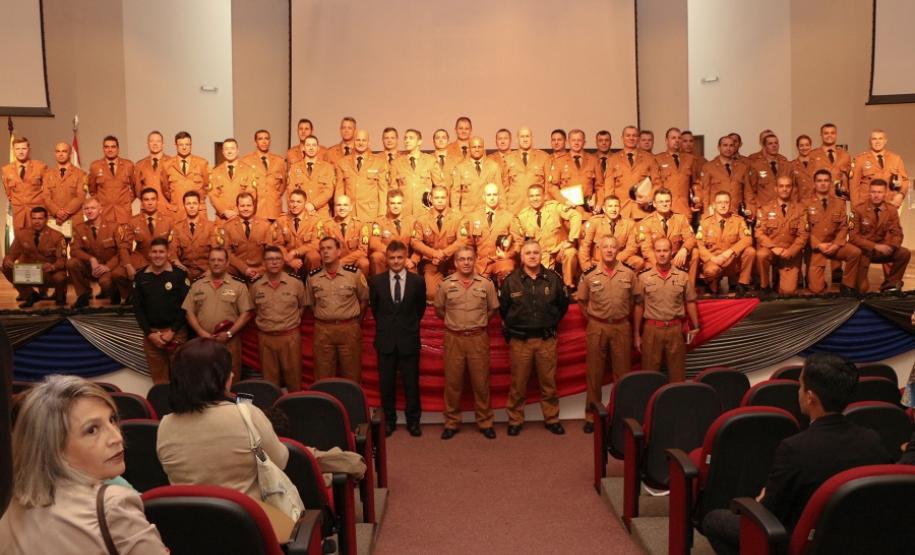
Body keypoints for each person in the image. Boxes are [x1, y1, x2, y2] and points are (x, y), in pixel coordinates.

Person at [702, 353, 892, 555]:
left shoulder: (795, 448)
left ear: (810, 397)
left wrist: (760, 501)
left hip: (803, 543)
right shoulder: (872, 440)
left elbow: (770, 513)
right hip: (858, 541)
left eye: (800, 386)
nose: (798, 392)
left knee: (714, 520)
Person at [0, 375, 168, 554]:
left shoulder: (8, 500)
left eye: (112, 420)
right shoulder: (112, 505)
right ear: (52, 446)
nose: (117, 437)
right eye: (92, 430)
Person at [156, 338, 296, 537]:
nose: (231, 374)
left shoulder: (164, 425)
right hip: (247, 529)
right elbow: (281, 461)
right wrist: (256, 451)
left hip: (188, 532)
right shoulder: (246, 414)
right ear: (217, 377)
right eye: (227, 369)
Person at [500, 240, 569, 436]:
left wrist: (550, 321)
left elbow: (562, 305)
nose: (532, 256)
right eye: (528, 253)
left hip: (546, 340)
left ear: (541, 255)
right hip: (520, 341)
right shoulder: (510, 281)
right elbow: (504, 309)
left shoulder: (553, 279)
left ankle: (552, 419)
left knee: (548, 383)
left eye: (535, 252)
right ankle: (515, 420)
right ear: (521, 257)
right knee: (518, 384)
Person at [434, 245, 499, 440]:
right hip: (454, 339)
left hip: (477, 338)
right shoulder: (445, 285)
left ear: (474, 260)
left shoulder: (486, 284)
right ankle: (452, 422)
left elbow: (492, 310)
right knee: (453, 384)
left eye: (469, 259)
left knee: (481, 383)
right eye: (462, 259)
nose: (466, 262)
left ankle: (485, 422)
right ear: (455, 263)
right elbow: (439, 310)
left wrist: (476, 324)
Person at [577, 235, 636, 433]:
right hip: (597, 327)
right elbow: (582, 301)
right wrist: (595, 319)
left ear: (618, 249)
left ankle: (621, 417)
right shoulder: (590, 275)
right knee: (594, 373)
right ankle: (591, 417)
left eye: (613, 247)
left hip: (621, 327)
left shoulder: (629, 274)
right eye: (605, 247)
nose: (609, 250)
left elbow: (636, 300)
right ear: (599, 250)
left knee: (622, 374)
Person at [369, 240, 426, 437]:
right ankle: (389, 422)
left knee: (412, 384)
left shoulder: (417, 281)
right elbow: (376, 310)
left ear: (406, 257)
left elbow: (420, 310)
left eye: (400, 257)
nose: (395, 261)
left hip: (409, 340)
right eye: (392, 258)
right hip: (385, 341)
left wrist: (406, 326)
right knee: (386, 385)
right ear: (386, 258)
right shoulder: (376, 281)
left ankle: (413, 422)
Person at [633, 237, 700, 383]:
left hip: (675, 330)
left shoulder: (683, 276)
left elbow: (690, 301)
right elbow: (639, 306)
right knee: (649, 376)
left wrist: (696, 326)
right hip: (652, 330)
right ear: (654, 253)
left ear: (672, 252)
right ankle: (650, 405)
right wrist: (637, 334)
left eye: (665, 250)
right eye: (658, 251)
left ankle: (676, 405)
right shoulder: (644, 277)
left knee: (678, 375)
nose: (662, 254)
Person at [183, 247, 254, 382]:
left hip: (230, 342)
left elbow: (246, 314)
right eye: (213, 260)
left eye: (220, 260)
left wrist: (229, 333)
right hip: (204, 342)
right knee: (205, 381)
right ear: (208, 263)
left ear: (227, 263)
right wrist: (201, 332)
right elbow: (188, 312)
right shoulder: (197, 285)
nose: (216, 263)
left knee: (231, 381)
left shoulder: (238, 285)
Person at [306, 237, 369, 382]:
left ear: (339, 251)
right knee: (323, 375)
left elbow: (364, 300)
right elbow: (311, 304)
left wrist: (354, 322)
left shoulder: (354, 274)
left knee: (352, 374)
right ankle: (324, 404)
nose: (325, 252)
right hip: (323, 330)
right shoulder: (313, 277)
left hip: (349, 329)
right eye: (322, 249)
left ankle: (351, 405)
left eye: (329, 248)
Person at [133, 237, 191, 383]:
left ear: (168, 253)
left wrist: (172, 331)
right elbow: (138, 309)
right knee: (159, 382)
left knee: (181, 379)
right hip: (152, 336)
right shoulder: (140, 277)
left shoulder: (179, 274)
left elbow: (186, 305)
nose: (157, 255)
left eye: (161, 252)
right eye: (154, 252)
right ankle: (162, 406)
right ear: (149, 254)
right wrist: (149, 333)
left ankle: (180, 407)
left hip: (176, 334)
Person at [251, 246, 307, 392]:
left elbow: (302, 306)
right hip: (266, 338)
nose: (274, 262)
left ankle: (296, 412)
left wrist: (290, 322)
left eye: (277, 259)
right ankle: (272, 414)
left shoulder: (295, 283)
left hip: (290, 337)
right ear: (264, 262)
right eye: (270, 259)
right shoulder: (256, 285)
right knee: (270, 384)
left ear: (283, 262)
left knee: (294, 380)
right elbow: (254, 309)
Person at [513, 183, 581, 289]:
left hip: (558, 250)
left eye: (537, 195)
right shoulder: (523, 216)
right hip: (540, 255)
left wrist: (571, 240)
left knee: (570, 253)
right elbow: (519, 239)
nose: (535, 199)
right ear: (528, 198)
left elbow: (575, 215)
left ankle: (569, 286)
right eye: (532, 196)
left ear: (544, 196)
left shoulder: (554, 208)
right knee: (542, 286)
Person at [804, 169, 861, 294]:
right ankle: (816, 281)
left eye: (826, 181)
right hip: (816, 248)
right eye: (819, 181)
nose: (823, 184)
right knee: (816, 289)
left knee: (855, 252)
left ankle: (847, 285)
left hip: (835, 244)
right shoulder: (805, 203)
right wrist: (819, 245)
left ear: (830, 183)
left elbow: (843, 226)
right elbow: (804, 230)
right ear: (814, 183)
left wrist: (836, 244)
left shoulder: (839, 203)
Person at [848, 179, 910, 292]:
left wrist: (892, 246)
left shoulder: (891, 210)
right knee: (861, 289)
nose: (876, 195)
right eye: (873, 192)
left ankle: (890, 286)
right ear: (869, 192)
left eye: (880, 192)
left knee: (904, 253)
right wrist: (874, 246)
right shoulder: (857, 210)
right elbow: (853, 237)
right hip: (864, 252)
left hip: (884, 250)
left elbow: (897, 233)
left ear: (885, 193)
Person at [68, 197, 129, 308]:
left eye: (93, 208)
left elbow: (122, 250)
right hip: (90, 267)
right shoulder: (79, 228)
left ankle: (115, 292)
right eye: (86, 209)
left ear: (100, 209)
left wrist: (108, 267)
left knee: (105, 283)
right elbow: (74, 250)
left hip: (109, 267)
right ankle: (83, 295)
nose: (89, 211)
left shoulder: (114, 226)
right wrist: (91, 259)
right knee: (71, 263)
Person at [2, 206, 68, 308]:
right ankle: (30, 296)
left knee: (60, 277)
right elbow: (11, 253)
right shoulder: (21, 234)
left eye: (40, 218)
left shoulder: (57, 236)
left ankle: (60, 296)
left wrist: (53, 267)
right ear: (31, 219)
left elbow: (62, 260)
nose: (36, 221)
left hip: (48, 273)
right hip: (30, 271)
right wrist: (8, 260)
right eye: (34, 218)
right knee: (5, 267)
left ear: (46, 219)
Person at [412, 185, 467, 301]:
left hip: (453, 261)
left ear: (447, 198)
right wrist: (434, 254)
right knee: (432, 295)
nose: (440, 200)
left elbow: (462, 241)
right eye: (437, 198)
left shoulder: (458, 218)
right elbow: (415, 242)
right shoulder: (422, 219)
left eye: (443, 197)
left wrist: (443, 254)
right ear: (431, 199)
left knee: (460, 295)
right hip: (433, 262)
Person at [755, 176, 809, 295]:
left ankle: (778, 279)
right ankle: (764, 286)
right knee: (761, 255)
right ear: (776, 189)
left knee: (787, 292)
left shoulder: (800, 209)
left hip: (790, 254)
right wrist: (774, 248)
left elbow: (803, 235)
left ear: (792, 189)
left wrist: (791, 251)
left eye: (788, 186)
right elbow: (759, 233)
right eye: (781, 186)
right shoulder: (765, 208)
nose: (784, 189)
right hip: (772, 251)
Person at [696, 191, 755, 296]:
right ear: (714, 205)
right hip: (714, 261)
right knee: (711, 271)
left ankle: (742, 284)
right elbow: (699, 245)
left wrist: (730, 251)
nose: (723, 205)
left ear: (730, 204)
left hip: (732, 262)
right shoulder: (705, 222)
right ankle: (713, 284)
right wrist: (712, 258)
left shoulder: (738, 221)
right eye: (720, 203)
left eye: (726, 202)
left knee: (750, 251)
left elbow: (748, 239)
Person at [218, 192, 285, 282]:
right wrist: (245, 269)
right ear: (237, 207)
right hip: (236, 273)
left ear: (254, 206)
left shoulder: (265, 225)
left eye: (249, 205)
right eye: (242, 206)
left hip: (261, 273)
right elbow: (227, 253)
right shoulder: (227, 226)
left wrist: (260, 271)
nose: (246, 209)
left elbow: (270, 252)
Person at [638, 187, 699, 284]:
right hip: (657, 260)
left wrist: (684, 249)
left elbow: (691, 238)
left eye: (667, 201)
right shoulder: (646, 223)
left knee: (694, 252)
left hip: (676, 260)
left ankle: (689, 289)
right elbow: (647, 250)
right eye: (661, 202)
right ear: (654, 204)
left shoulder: (680, 218)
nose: (665, 204)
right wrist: (661, 265)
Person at [602, 126, 660, 221]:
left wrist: (649, 199)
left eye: (634, 135)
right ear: (622, 138)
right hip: (621, 211)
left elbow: (657, 183)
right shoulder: (613, 159)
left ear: (638, 138)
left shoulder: (649, 158)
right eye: (628, 135)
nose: (631, 138)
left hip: (643, 211)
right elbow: (609, 187)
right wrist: (610, 208)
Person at [462, 183, 517, 283]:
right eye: (489, 195)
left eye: (494, 195)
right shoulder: (474, 217)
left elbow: (518, 242)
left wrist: (507, 255)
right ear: (484, 197)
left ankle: (503, 297)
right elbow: (468, 243)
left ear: (499, 196)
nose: (492, 198)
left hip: (501, 261)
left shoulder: (508, 217)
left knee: (507, 271)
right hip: (480, 262)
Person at [120, 188, 174, 282]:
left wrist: (173, 260)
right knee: (118, 274)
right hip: (141, 260)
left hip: (162, 259)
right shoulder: (133, 221)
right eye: (146, 199)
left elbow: (174, 244)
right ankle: (129, 296)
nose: (150, 203)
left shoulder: (168, 220)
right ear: (142, 202)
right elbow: (124, 246)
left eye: (153, 199)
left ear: (157, 201)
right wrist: (128, 265)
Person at [335, 128, 389, 221]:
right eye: (358, 140)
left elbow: (383, 191)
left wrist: (382, 214)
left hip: (370, 214)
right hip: (349, 214)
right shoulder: (342, 162)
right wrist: (337, 212)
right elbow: (339, 191)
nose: (361, 143)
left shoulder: (379, 163)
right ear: (353, 142)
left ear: (369, 143)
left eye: (364, 140)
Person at [579, 195, 644, 272]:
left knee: (638, 261)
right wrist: (587, 268)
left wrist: (615, 260)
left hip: (620, 261)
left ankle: (624, 280)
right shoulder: (594, 222)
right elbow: (585, 246)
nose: (613, 209)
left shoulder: (629, 224)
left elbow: (632, 248)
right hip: (598, 262)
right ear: (604, 208)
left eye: (616, 206)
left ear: (620, 208)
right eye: (610, 206)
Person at [390, 128, 444, 217]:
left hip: (425, 212)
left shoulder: (430, 161)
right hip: (404, 213)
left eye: (411, 138)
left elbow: (440, 187)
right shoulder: (396, 163)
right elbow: (392, 191)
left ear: (419, 141)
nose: (407, 141)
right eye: (405, 138)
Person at [697, 136, 755, 219]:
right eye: (725, 145)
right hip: (716, 213)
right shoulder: (709, 167)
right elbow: (705, 192)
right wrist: (706, 213)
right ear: (719, 147)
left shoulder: (742, 167)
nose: (728, 148)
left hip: (736, 213)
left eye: (731, 145)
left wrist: (750, 209)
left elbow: (748, 192)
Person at [851, 130, 908, 208]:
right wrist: (855, 208)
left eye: (880, 138)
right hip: (867, 206)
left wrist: (900, 195)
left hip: (890, 205)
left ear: (885, 141)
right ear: (870, 141)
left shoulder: (896, 159)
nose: (877, 142)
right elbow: (854, 186)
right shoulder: (860, 159)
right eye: (874, 139)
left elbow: (905, 180)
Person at [369, 189, 419, 275]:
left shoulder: (411, 221)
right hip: (388, 260)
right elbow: (374, 243)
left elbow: (418, 244)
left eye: (398, 203)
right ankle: (381, 287)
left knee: (413, 280)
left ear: (403, 204)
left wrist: (413, 260)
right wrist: (394, 254)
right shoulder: (380, 222)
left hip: (406, 261)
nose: (396, 206)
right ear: (387, 204)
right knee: (376, 256)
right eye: (392, 203)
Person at [87, 135, 135, 225]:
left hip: (123, 213)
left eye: (113, 147)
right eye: (107, 147)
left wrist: (126, 201)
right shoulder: (95, 166)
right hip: (104, 213)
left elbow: (135, 188)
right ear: (103, 149)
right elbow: (92, 190)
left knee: (124, 238)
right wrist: (101, 202)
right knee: (106, 238)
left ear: (118, 148)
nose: (110, 150)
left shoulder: (128, 165)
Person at [2, 136, 48, 230]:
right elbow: (9, 193)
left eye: (24, 148)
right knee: (20, 242)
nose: (21, 152)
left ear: (29, 149)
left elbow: (47, 190)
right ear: (13, 150)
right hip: (18, 214)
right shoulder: (6, 169)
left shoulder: (40, 166)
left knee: (38, 242)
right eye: (17, 149)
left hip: (37, 213)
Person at [548, 128, 598, 214]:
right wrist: (564, 201)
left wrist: (597, 200)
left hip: (587, 210)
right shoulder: (559, 161)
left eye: (579, 140)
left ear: (584, 142)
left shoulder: (593, 160)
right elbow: (552, 187)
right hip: (567, 210)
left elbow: (600, 186)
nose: (576, 143)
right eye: (573, 140)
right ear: (568, 142)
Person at [242, 129, 288, 222]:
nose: (264, 141)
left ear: (270, 141)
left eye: (266, 138)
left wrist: (274, 195)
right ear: (256, 142)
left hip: (274, 208)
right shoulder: (246, 161)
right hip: (256, 209)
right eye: (260, 139)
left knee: (274, 235)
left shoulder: (279, 161)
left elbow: (283, 184)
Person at [169, 190, 215, 281]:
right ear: (184, 206)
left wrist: (211, 271)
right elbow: (172, 255)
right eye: (188, 203)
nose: (192, 206)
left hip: (207, 273)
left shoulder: (210, 226)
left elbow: (217, 253)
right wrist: (183, 270)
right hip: (184, 273)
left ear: (199, 205)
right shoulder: (177, 228)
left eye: (194, 203)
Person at [320, 194, 371, 276]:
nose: (342, 208)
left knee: (364, 262)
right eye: (338, 205)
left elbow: (363, 251)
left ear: (351, 207)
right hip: (333, 262)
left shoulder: (360, 225)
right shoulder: (327, 225)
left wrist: (342, 262)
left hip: (354, 262)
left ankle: (362, 287)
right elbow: (324, 249)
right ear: (334, 208)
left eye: (345, 205)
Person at [503, 127, 549, 214]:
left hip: (537, 207)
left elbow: (547, 185)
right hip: (515, 208)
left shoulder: (543, 157)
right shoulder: (508, 158)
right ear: (517, 140)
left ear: (532, 138)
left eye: (527, 136)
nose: (525, 139)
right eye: (522, 137)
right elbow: (505, 186)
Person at [209, 138, 257, 222]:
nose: (229, 151)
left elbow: (251, 193)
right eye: (226, 149)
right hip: (222, 218)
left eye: (232, 148)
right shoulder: (215, 171)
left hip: (242, 216)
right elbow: (213, 195)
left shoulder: (248, 170)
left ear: (237, 151)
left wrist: (237, 211)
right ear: (223, 152)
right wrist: (224, 211)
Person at [287, 135, 335, 218]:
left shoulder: (327, 167)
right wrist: (302, 206)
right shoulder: (295, 167)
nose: (311, 148)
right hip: (300, 213)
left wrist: (313, 204)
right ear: (303, 148)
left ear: (318, 148)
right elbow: (291, 190)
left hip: (320, 213)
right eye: (308, 145)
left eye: (314, 145)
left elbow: (329, 191)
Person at [42, 142, 87, 230]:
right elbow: (45, 197)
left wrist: (65, 212)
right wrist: (57, 212)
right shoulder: (47, 174)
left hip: (74, 219)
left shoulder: (81, 174)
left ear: (70, 154)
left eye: (64, 151)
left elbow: (81, 196)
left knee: (77, 244)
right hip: (54, 220)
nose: (61, 154)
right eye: (58, 151)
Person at [452, 136, 502, 214]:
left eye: (479, 147)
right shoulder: (460, 167)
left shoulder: (493, 166)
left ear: (483, 148)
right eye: (474, 147)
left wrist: (502, 213)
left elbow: (500, 191)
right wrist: (457, 215)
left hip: (488, 214)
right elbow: (455, 194)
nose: (477, 149)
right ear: (469, 149)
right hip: (467, 214)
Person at [162, 131, 209, 215]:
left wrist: (197, 200)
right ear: (176, 145)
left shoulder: (202, 163)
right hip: (177, 211)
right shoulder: (167, 165)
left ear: (191, 144)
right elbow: (165, 189)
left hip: (198, 211)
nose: (184, 147)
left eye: (187, 144)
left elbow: (206, 186)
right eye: (181, 145)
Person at [276, 189, 321, 277]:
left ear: (305, 203)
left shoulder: (315, 220)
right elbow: (278, 244)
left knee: (314, 256)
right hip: (288, 259)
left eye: (299, 202)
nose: (295, 205)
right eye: (292, 201)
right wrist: (288, 260)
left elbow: (317, 243)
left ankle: (315, 284)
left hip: (306, 258)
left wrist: (297, 252)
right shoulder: (281, 220)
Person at [654, 128, 697, 216]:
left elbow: (696, 183)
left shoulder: (690, 159)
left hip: (684, 209)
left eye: (679, 138)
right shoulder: (658, 159)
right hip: (664, 209)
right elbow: (655, 184)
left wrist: (698, 198)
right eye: (673, 138)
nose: (677, 140)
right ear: (666, 140)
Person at [133, 130, 172, 214]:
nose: (155, 144)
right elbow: (138, 190)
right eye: (152, 141)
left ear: (163, 144)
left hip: (167, 210)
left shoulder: (171, 162)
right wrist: (147, 201)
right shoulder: (140, 165)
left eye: (158, 141)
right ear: (148, 144)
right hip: (147, 211)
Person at [747, 133, 791, 208]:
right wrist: (756, 206)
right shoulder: (756, 166)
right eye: (770, 143)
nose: (774, 146)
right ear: (764, 147)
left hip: (783, 207)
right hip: (764, 208)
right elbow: (751, 190)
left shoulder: (786, 164)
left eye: (776, 143)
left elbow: (792, 187)